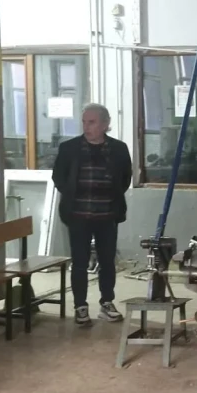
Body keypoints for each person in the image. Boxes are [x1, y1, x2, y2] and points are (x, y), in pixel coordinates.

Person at [52, 103, 132, 326]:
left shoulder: (118, 149)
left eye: (92, 122)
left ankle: (107, 302)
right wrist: (72, 194)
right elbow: (58, 177)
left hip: (107, 215)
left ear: (105, 124)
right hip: (78, 215)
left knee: (107, 261)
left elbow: (125, 178)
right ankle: (80, 306)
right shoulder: (69, 148)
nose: (86, 127)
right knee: (79, 262)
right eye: (84, 122)